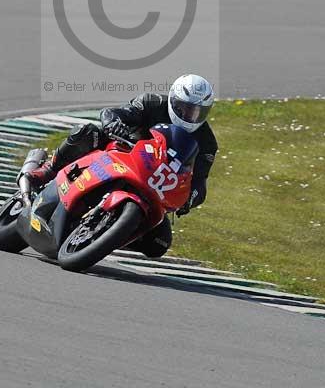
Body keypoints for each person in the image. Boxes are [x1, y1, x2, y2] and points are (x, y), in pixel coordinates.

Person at [24, 74, 217, 257]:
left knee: (159, 244)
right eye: (185, 108)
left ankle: (105, 233)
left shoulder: (207, 142)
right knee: (86, 132)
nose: (190, 115)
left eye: (198, 111)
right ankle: (48, 169)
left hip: (153, 184)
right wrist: (113, 123)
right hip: (122, 152)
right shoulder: (152, 102)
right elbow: (114, 113)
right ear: (173, 100)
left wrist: (188, 200)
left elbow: (199, 183)